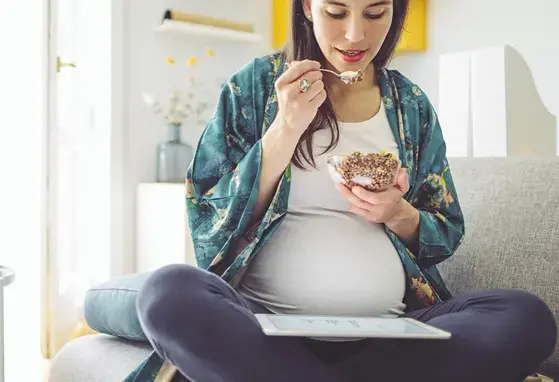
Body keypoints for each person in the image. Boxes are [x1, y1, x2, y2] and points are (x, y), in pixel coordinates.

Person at [135, 0, 557, 381]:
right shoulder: (256, 88)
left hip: (393, 335)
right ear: (306, 8)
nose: (356, 34)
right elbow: (208, 226)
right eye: (336, 12)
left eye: (375, 13)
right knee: (167, 293)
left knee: (525, 317)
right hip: (263, 328)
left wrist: (396, 212)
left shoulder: (411, 105)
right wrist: (285, 129)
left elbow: (445, 232)